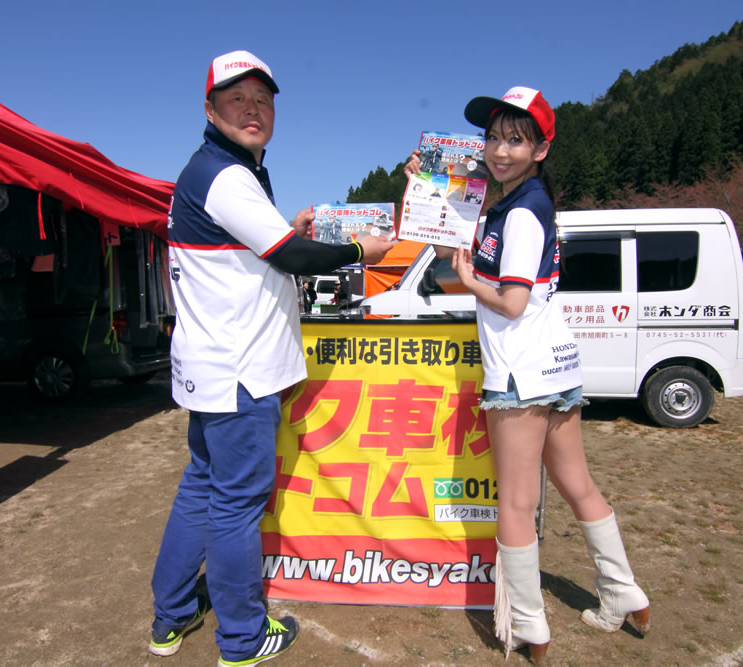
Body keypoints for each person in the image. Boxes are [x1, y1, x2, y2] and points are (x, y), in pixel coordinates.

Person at [150, 50, 394, 665]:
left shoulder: (220, 171)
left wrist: (289, 228)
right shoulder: (226, 175)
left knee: (201, 488)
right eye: (237, 99)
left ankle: (170, 616)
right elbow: (291, 258)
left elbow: (253, 252)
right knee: (235, 506)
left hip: (211, 367)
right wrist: (360, 251)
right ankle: (242, 639)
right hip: (240, 372)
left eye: (262, 99)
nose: (252, 109)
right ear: (211, 111)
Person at [405, 86, 649, 663]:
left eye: (515, 140)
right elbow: (452, 263)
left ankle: (529, 625)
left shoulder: (521, 212)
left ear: (540, 149)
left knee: (515, 504)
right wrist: (426, 188)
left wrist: (470, 282)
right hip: (553, 365)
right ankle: (624, 592)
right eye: (493, 137)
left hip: (520, 372)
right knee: (577, 485)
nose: (499, 150)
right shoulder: (513, 205)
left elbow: (510, 303)